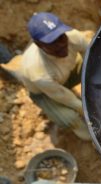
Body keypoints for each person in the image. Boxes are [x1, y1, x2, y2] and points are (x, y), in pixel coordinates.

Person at [1, 12, 91, 140]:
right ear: (39, 45)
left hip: (63, 75)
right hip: (45, 92)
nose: (61, 44)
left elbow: (92, 56)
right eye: (52, 42)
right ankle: (90, 137)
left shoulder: (73, 36)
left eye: (61, 36)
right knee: (70, 119)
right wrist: (90, 113)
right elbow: (69, 99)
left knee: (93, 62)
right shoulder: (38, 72)